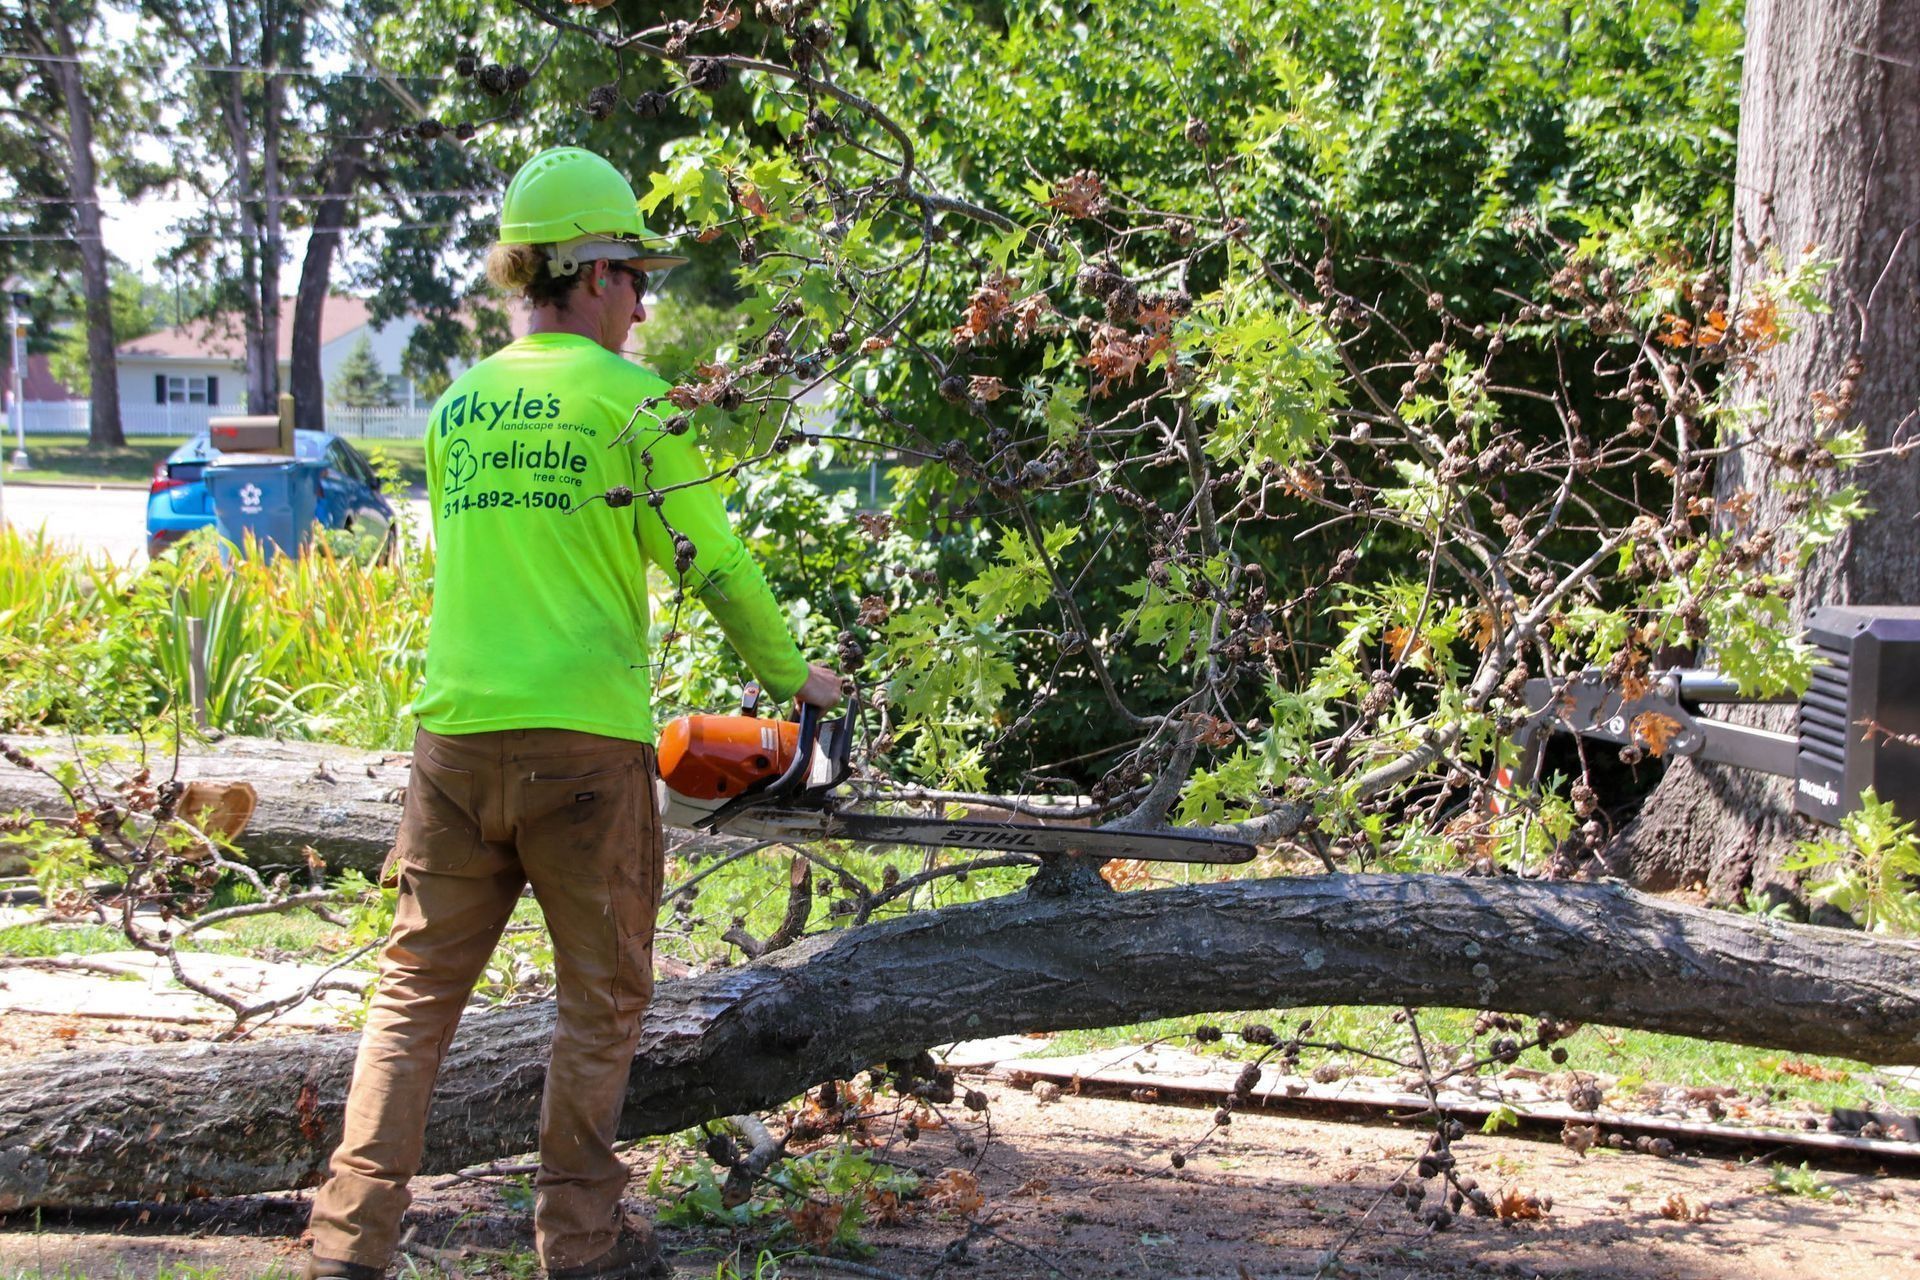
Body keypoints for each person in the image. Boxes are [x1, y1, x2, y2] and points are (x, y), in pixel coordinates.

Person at [305, 146, 841, 1280]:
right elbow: (716, 564)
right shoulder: (634, 404)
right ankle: (581, 1248)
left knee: (409, 1000)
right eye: (636, 276)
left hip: (453, 743)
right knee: (600, 1001)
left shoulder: (458, 408)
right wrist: (798, 680)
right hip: (584, 755)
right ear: (592, 272)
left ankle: (345, 1248)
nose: (644, 301)